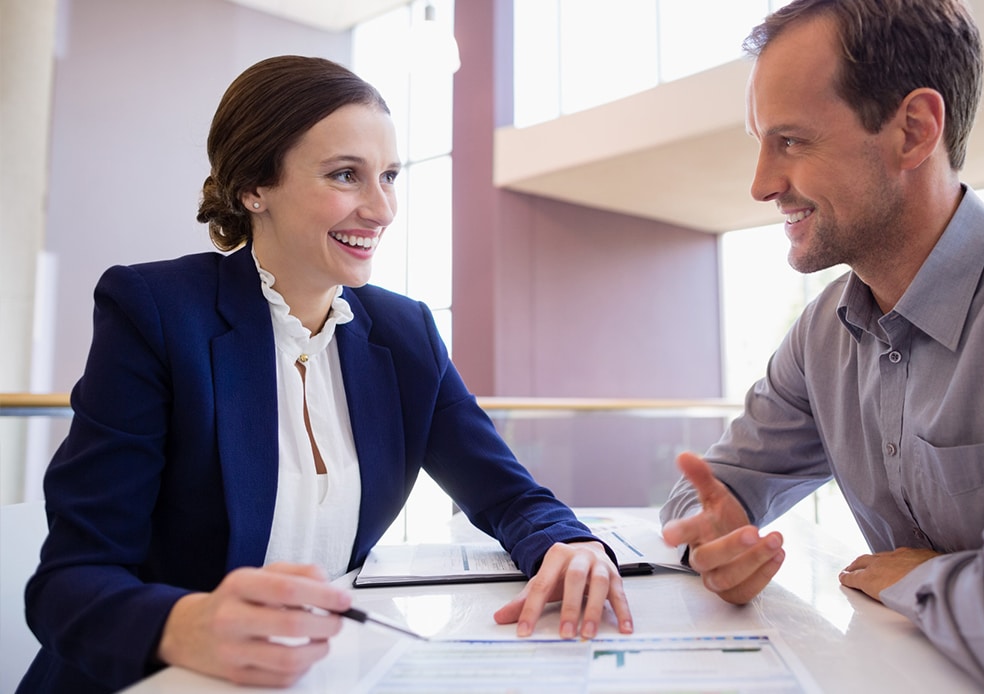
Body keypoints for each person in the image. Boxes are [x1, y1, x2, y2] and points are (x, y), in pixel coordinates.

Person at [20, 55, 633, 694]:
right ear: (254, 187)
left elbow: (510, 497)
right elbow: (68, 582)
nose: (381, 209)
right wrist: (187, 623)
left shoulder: (404, 333)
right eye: (346, 175)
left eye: (389, 176)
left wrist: (570, 546)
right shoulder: (156, 312)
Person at [659, 1, 984, 692]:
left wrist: (920, 576)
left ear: (914, 131)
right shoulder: (825, 332)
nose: (762, 183)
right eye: (761, 142)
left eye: (791, 142)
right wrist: (712, 538)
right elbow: (708, 492)